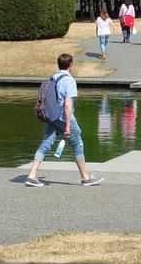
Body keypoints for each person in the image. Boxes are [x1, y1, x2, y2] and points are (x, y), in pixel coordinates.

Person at [25, 54, 104, 187]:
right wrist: (67, 125)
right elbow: (67, 104)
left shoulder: (53, 78)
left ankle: (32, 175)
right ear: (71, 65)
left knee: (46, 142)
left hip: (51, 116)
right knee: (77, 144)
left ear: (59, 65)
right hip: (63, 117)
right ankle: (85, 178)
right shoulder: (69, 80)